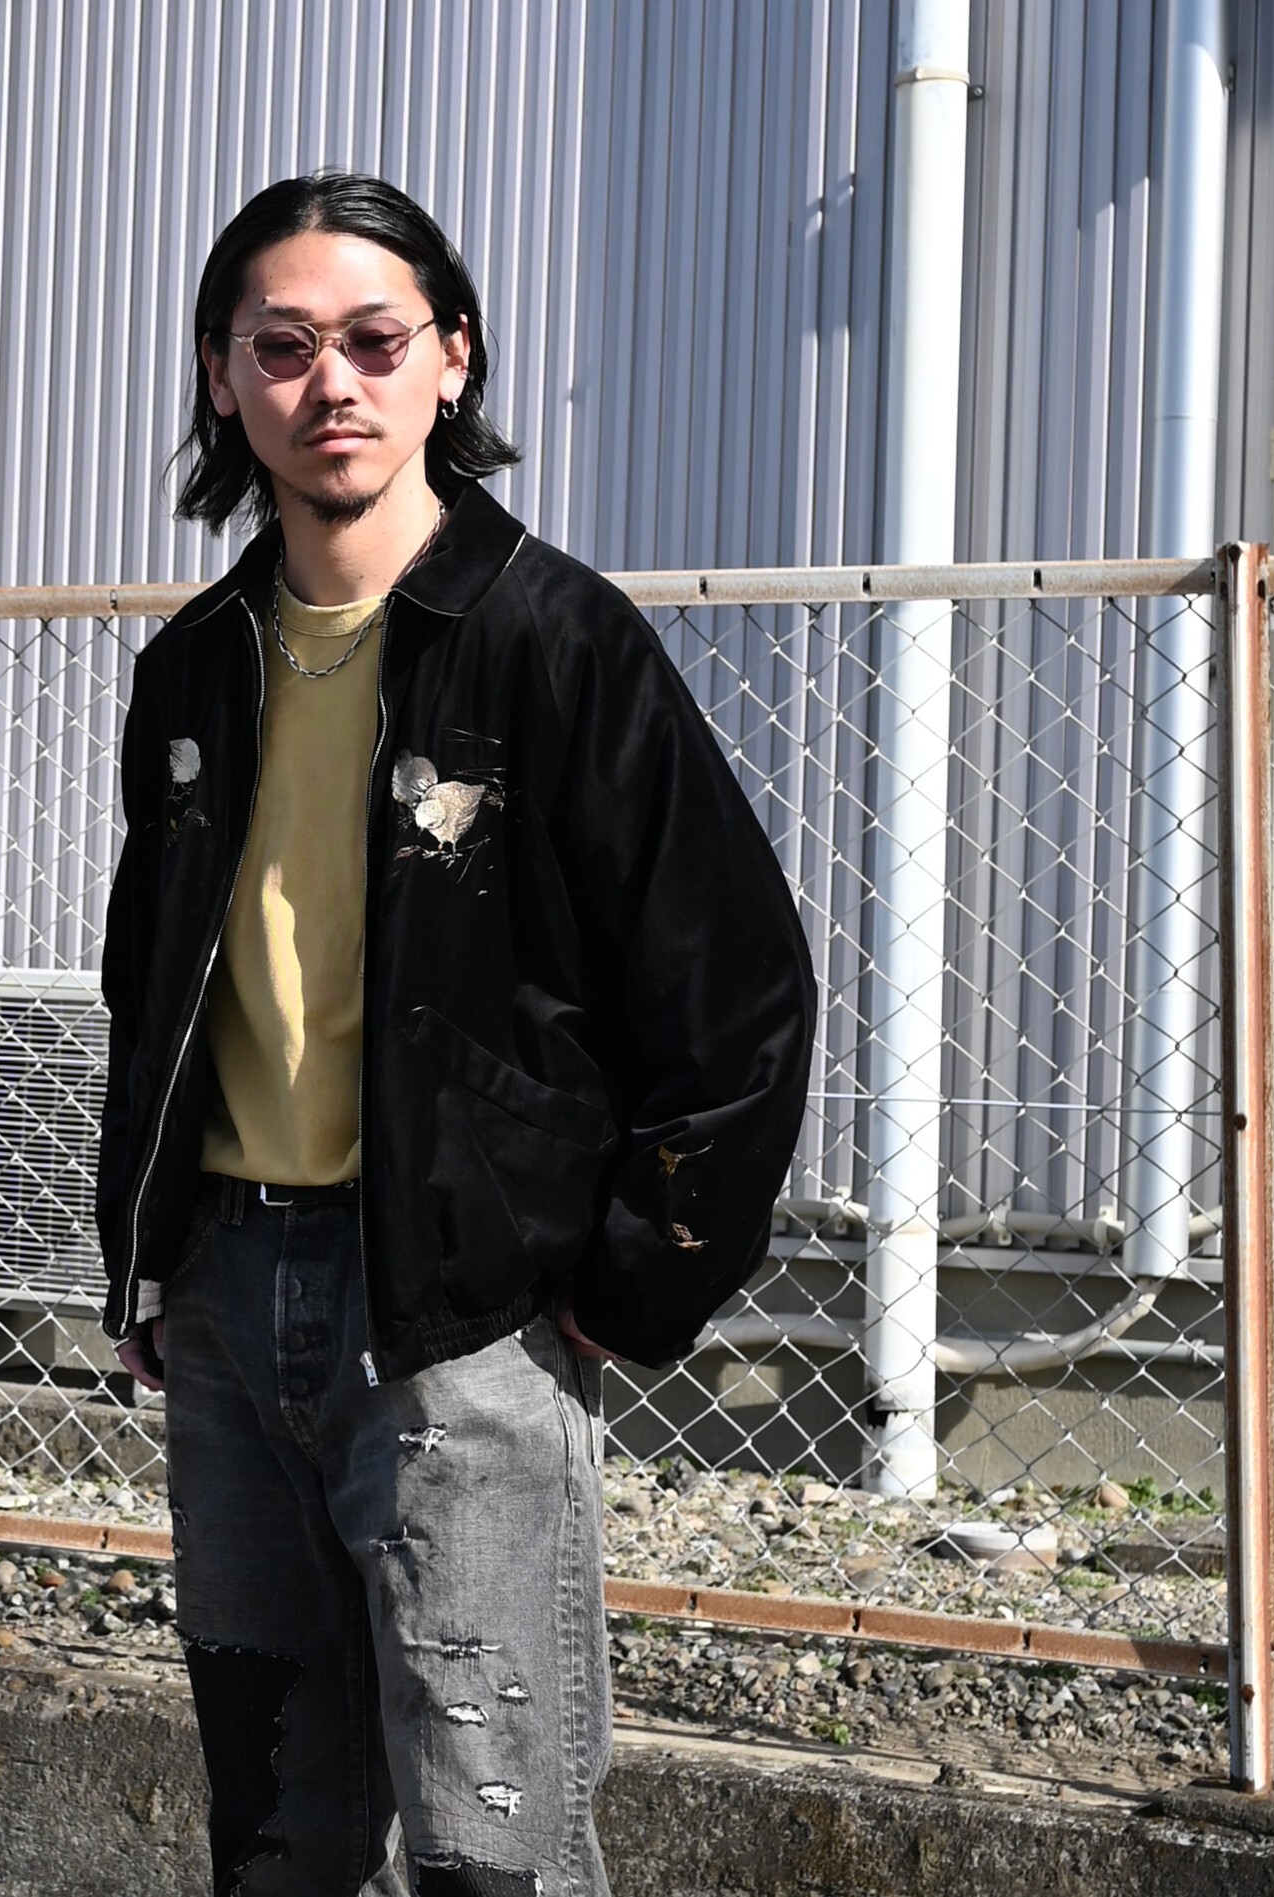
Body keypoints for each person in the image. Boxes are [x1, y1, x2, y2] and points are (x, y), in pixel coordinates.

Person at [96, 171, 815, 1897]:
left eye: (373, 339)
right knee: (278, 1837)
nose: (329, 383)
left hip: (458, 1318)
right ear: (221, 378)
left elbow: (735, 993)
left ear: (453, 359)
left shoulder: (552, 640)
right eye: (281, 346)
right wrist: (151, 1250)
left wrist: (618, 1280)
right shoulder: (194, 665)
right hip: (228, 1300)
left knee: (494, 1846)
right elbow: (151, 983)